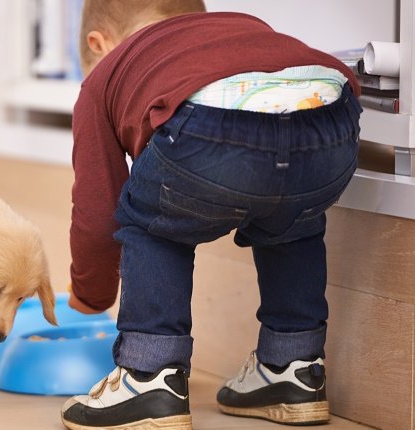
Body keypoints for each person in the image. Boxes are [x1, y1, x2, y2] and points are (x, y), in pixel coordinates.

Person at [61, 1, 362, 429]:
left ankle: (149, 377)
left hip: (210, 125)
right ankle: (292, 368)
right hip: (333, 120)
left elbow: (96, 212)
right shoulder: (240, 28)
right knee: (294, 219)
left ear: (98, 44)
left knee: (152, 221)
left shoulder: (108, 73)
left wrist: (90, 295)